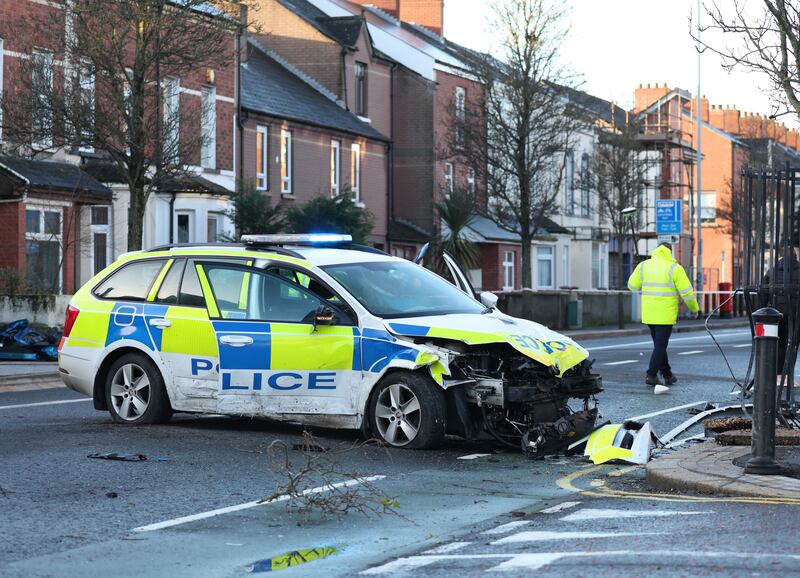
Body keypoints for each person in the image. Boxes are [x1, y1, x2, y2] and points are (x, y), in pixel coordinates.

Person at [627, 242, 700, 387]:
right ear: (670, 252)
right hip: (665, 314)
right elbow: (687, 293)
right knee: (660, 345)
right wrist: (694, 309)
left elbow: (632, 286)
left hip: (649, 313)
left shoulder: (643, 266)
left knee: (659, 345)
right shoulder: (674, 268)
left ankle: (667, 374)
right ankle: (651, 374)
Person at [761, 247, 800, 385]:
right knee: (793, 345)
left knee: (780, 343)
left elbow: (764, 292)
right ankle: (788, 376)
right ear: (795, 256)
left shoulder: (772, 270)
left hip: (777, 313)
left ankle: (778, 376)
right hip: (795, 313)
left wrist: (763, 310)